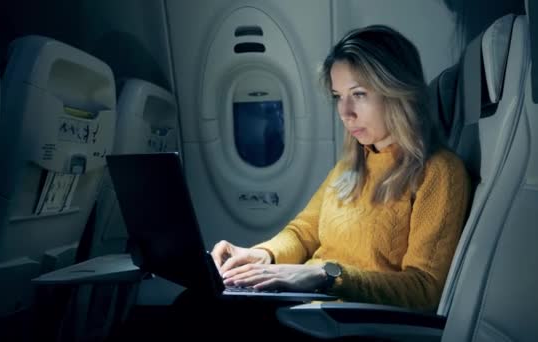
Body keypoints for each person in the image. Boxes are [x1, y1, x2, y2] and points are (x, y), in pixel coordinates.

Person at [149, 24, 470, 341]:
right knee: (195, 301)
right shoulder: (350, 167)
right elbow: (302, 233)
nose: (345, 112)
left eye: (358, 94)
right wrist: (262, 256)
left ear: (399, 92)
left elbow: (425, 288)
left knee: (198, 314)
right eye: (338, 96)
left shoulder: (439, 172)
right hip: (315, 301)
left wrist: (324, 276)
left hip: (349, 318)